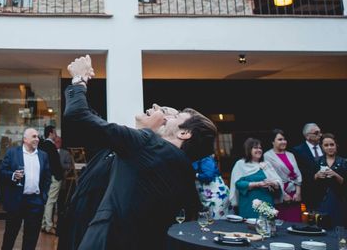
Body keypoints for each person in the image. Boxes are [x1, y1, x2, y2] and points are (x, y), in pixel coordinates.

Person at [63, 55, 216, 250]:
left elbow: (79, 116)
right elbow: (100, 128)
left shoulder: (147, 145)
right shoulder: (180, 169)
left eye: (174, 116)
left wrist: (79, 80)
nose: (158, 111)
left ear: (184, 132)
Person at [0, 128, 51, 250]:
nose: (37, 139)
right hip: (16, 200)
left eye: (38, 137)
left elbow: (47, 178)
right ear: (25, 139)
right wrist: (13, 175)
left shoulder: (43, 155)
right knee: (10, 235)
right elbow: (2, 172)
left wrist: (43, 197)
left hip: (35, 202)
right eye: (34, 136)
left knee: (31, 238)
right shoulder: (12, 153)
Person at [230, 137, 282, 218]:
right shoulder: (240, 164)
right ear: (248, 149)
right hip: (248, 203)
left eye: (260, 148)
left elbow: (278, 181)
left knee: (266, 226)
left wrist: (273, 183)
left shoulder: (266, 164)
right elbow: (238, 183)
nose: (259, 150)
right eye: (255, 148)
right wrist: (257, 184)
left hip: (266, 201)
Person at [263, 128, 303, 222]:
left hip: (293, 194)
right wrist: (283, 194)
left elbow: (297, 174)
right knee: (282, 224)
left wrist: (298, 192)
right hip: (278, 194)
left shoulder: (290, 155)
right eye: (280, 139)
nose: (283, 142)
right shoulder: (267, 156)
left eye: (284, 139)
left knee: (296, 222)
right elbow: (270, 176)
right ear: (273, 142)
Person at [315, 133, 347, 228]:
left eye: (332, 145)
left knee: (338, 227)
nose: (329, 147)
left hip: (339, 200)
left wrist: (335, 175)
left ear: (336, 145)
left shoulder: (343, 162)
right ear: (322, 147)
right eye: (326, 145)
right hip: (321, 200)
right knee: (321, 227)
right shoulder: (318, 161)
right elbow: (309, 183)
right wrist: (316, 175)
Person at [291, 123, 323, 210]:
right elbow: (297, 171)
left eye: (320, 132)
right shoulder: (298, 150)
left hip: (326, 191)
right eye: (316, 133)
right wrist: (314, 176)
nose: (320, 135)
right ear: (307, 136)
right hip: (310, 191)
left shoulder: (324, 147)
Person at [40, 125, 63, 235]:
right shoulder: (51, 146)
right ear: (50, 133)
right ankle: (48, 225)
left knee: (47, 200)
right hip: (54, 176)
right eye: (54, 133)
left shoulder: (43, 145)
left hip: (47, 177)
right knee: (51, 201)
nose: (56, 135)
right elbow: (55, 163)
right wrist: (59, 175)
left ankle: (44, 224)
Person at [193, 154, 231, 219]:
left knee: (217, 222)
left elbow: (208, 176)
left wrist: (194, 174)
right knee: (208, 221)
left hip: (216, 195)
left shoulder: (205, 158)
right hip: (206, 196)